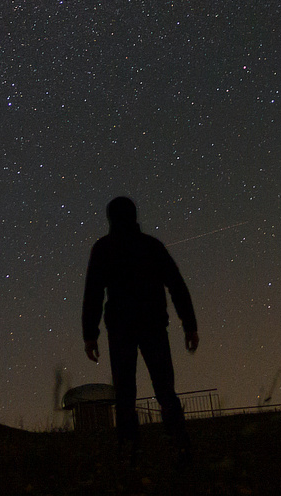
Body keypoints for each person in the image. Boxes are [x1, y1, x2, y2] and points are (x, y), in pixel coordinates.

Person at [82, 196, 198, 457]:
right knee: (164, 386)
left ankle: (128, 444)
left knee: (125, 389)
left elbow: (93, 293)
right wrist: (189, 325)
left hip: (121, 327)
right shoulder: (151, 246)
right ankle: (178, 439)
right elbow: (176, 284)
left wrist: (90, 335)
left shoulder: (104, 248)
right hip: (153, 324)